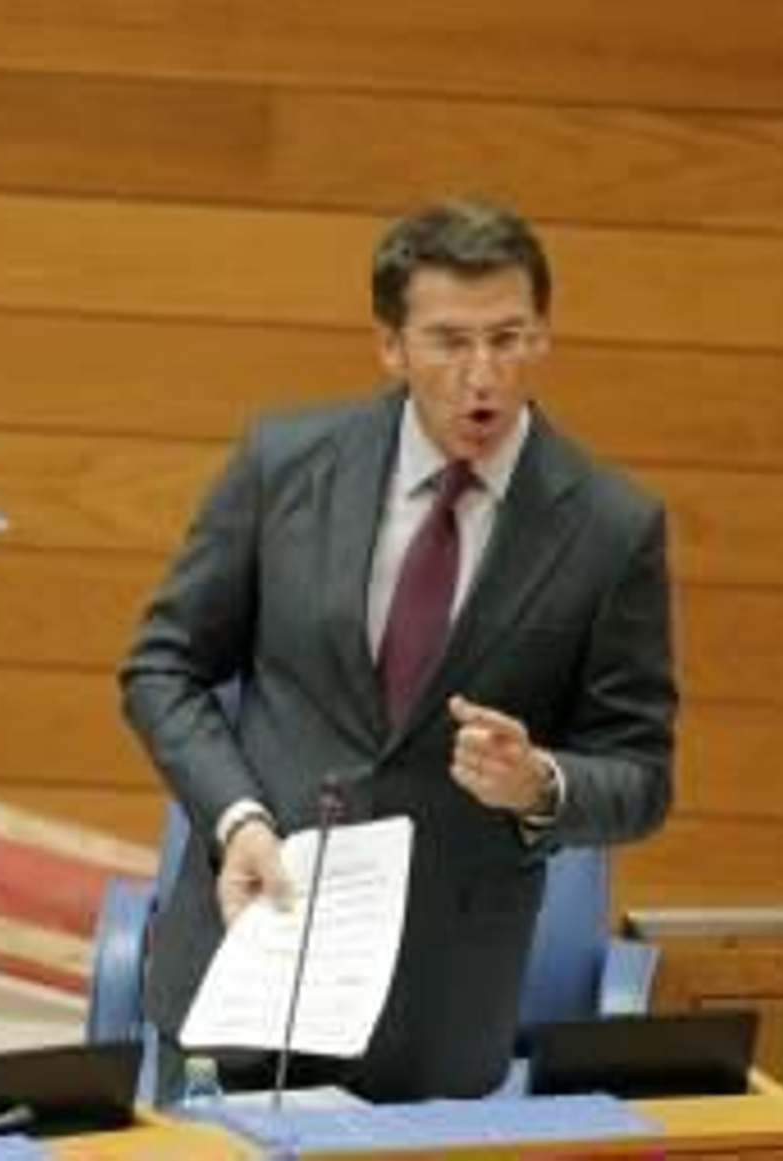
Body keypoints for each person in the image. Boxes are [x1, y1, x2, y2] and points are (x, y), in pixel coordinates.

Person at [120, 198, 677, 1104]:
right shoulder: (284, 463)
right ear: (391, 346)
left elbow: (642, 774)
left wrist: (540, 784)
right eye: (450, 342)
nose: (483, 375)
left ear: (543, 335)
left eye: (509, 337)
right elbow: (162, 667)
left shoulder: (611, 528)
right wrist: (236, 820)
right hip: (254, 939)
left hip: (440, 996)